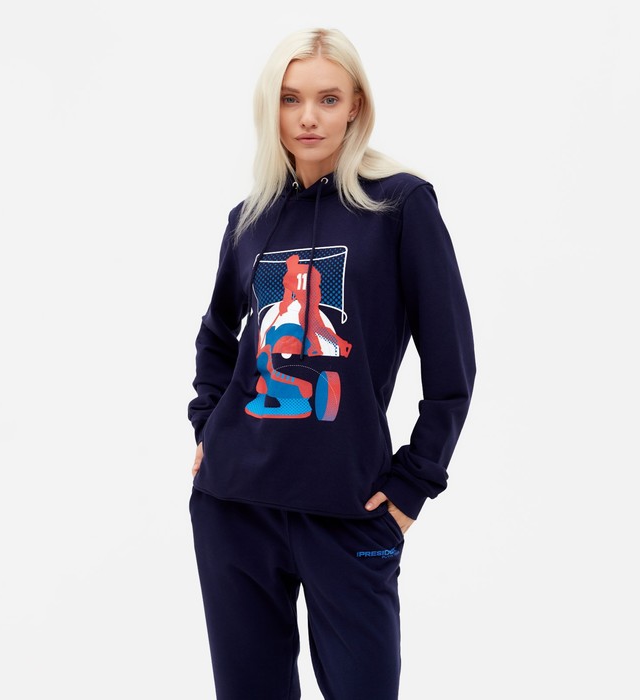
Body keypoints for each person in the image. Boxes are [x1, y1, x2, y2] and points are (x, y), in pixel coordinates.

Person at [187, 27, 476, 700]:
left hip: (350, 510)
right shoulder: (249, 218)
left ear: (355, 107)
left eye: (328, 98)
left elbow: (452, 364)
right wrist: (208, 427)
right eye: (290, 99)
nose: (308, 117)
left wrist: (412, 486)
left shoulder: (400, 206)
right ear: (272, 108)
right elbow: (217, 335)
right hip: (234, 506)